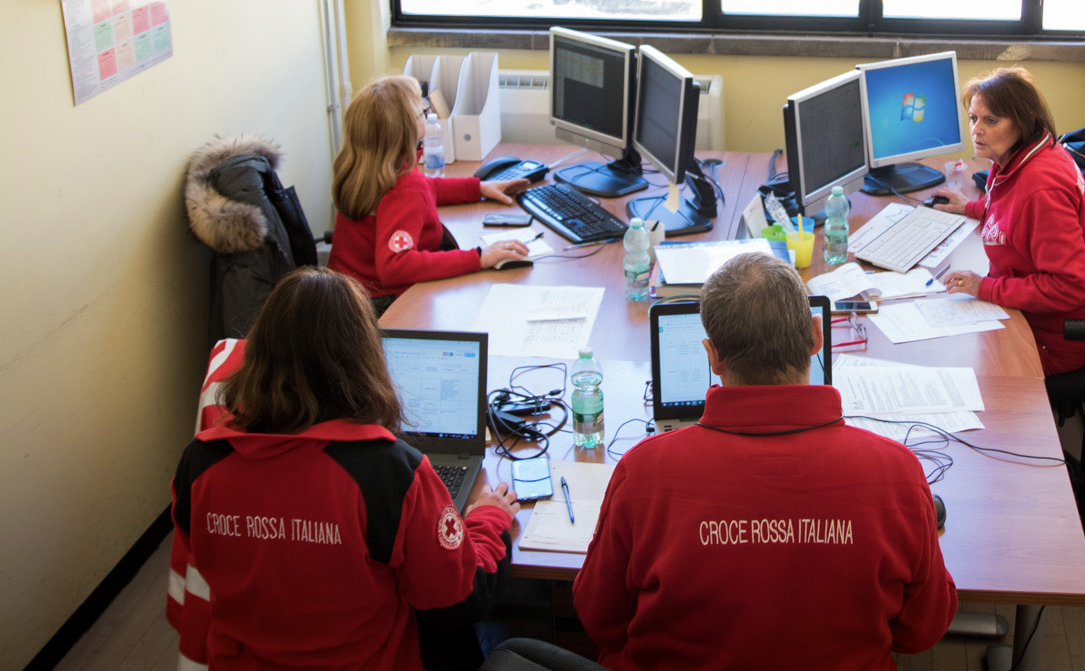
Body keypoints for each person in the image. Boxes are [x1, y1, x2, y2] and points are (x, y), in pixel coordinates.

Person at [572, 253, 959, 670]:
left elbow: (602, 623)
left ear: (712, 356)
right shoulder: (897, 474)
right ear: (816, 336)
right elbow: (922, 630)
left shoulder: (642, 473)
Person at [165, 267, 517, 669]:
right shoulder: (388, 471)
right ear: (364, 359)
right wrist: (489, 518)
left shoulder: (201, 462)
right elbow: (456, 597)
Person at [932, 67, 1085, 374]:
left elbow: (1071, 286)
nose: (976, 130)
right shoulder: (1022, 155)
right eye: (973, 118)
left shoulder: (1042, 189)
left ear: (1023, 119)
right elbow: (1012, 208)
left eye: (991, 120)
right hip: (1025, 315)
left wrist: (984, 287)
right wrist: (974, 208)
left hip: (1052, 338)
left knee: (949, 361)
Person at [329, 74, 530, 313]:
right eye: (421, 112)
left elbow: (425, 187)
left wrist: (478, 188)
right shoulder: (403, 188)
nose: (425, 114)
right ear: (405, 131)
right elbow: (395, 265)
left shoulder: (368, 167)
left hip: (340, 297)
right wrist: (478, 258)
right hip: (379, 307)